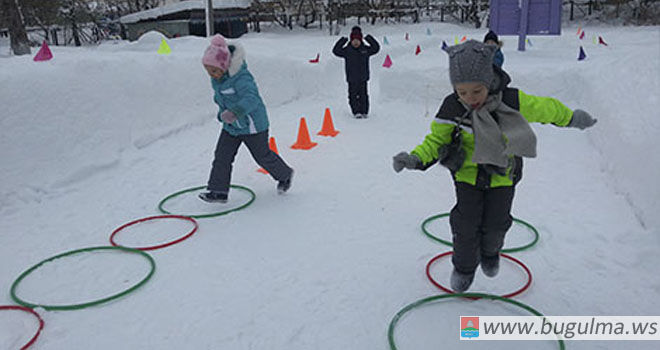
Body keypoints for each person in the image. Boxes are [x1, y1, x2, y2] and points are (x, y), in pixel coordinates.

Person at [392, 40, 597, 292]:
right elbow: (436, 140)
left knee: (496, 224)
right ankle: (464, 268)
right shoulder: (452, 107)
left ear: (489, 81)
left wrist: (571, 118)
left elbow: (544, 108)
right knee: (465, 225)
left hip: (503, 176)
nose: (470, 99)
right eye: (462, 92)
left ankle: (490, 254)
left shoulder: (511, 101)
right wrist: (415, 158)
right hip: (467, 177)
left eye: (477, 91)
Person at [199, 34, 294, 203]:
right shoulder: (219, 78)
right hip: (232, 126)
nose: (211, 74)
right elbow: (223, 99)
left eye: (213, 70)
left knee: (262, 156)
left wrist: (235, 112)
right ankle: (218, 192)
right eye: (208, 70)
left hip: (253, 126)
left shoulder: (242, 78)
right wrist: (222, 114)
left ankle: (284, 174)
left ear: (224, 65)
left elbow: (252, 98)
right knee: (222, 156)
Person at [332, 26, 380, 118]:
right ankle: (356, 111)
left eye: (358, 40)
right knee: (352, 96)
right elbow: (336, 51)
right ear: (351, 40)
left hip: (363, 77)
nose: (356, 42)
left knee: (364, 95)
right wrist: (343, 40)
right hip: (352, 78)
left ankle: (364, 111)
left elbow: (376, 48)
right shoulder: (347, 50)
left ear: (361, 40)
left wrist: (369, 38)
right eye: (354, 40)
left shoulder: (365, 49)